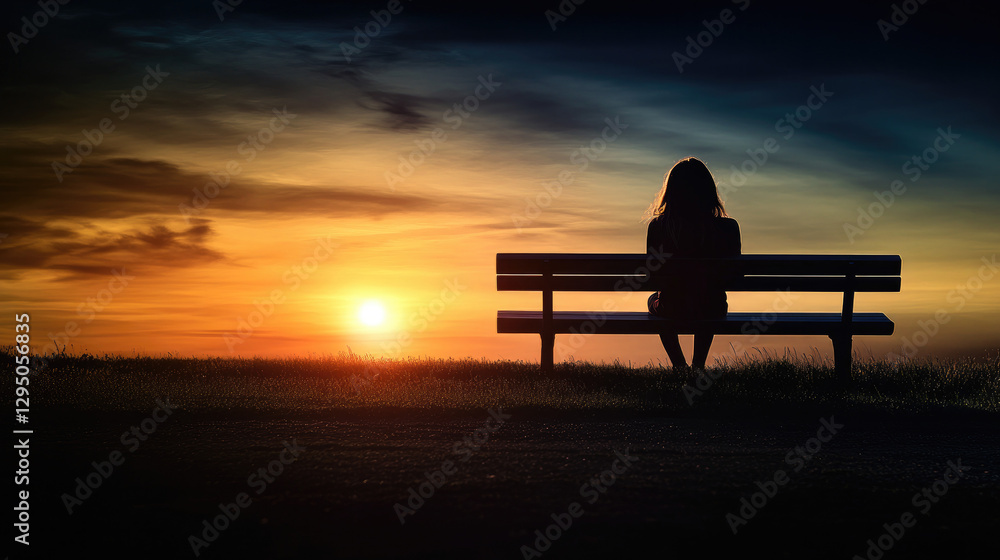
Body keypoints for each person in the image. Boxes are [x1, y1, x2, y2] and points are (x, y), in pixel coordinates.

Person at [645, 157, 741, 371]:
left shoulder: (659, 227)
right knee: (707, 296)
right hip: (712, 307)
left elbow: (652, 276)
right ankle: (698, 364)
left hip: (673, 307)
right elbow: (736, 276)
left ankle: (679, 365)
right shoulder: (727, 228)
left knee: (655, 299)